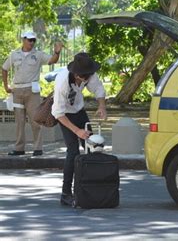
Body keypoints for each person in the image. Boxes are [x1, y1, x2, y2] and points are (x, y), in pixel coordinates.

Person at [51, 52, 107, 206]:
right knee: (73, 151)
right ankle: (66, 193)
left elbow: (98, 88)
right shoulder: (62, 82)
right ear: (76, 74)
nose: (88, 79)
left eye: (89, 75)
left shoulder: (88, 73)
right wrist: (77, 131)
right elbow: (58, 113)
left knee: (92, 147)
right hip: (65, 116)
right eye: (85, 77)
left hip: (79, 110)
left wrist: (102, 106)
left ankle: (91, 187)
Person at [2, 31, 63, 156]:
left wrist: (57, 52)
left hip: (32, 91)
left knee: (36, 120)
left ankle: (37, 148)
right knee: (19, 121)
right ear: (23, 40)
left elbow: (52, 60)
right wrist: (6, 86)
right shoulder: (14, 54)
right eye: (29, 40)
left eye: (33, 40)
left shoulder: (38, 54)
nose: (32, 42)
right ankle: (19, 149)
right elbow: (4, 68)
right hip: (17, 90)